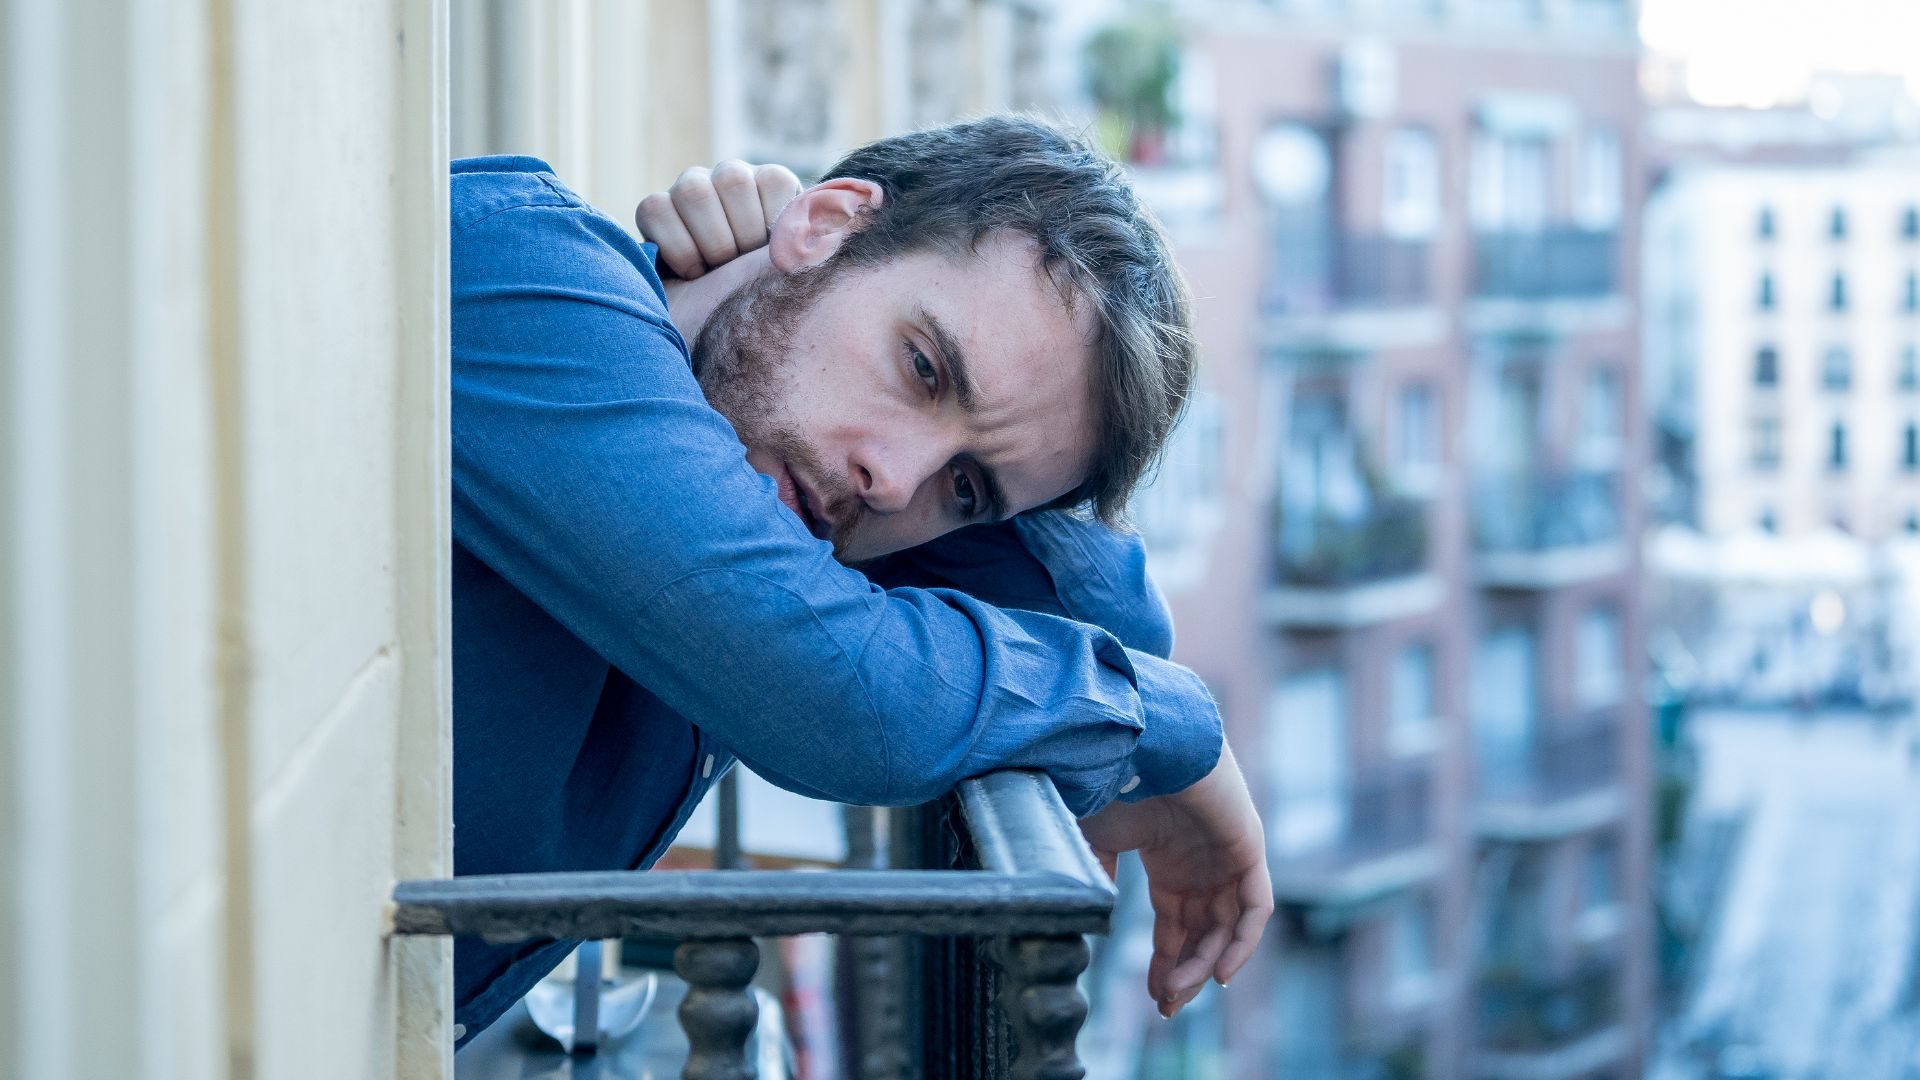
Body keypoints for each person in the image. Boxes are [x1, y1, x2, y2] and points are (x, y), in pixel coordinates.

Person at [450, 115, 1270, 1044]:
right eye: (923, 368)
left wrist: (1012, 459)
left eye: (964, 489)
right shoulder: (523, 276)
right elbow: (849, 701)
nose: (894, 480)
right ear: (829, 222)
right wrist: (1168, 722)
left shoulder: (795, 506)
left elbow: (1102, 618)